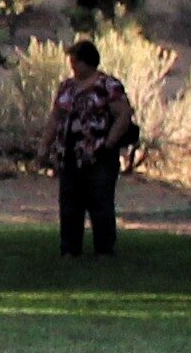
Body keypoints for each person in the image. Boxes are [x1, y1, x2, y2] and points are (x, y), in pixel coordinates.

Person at [49, 38, 136, 259]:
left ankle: (104, 249)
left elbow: (123, 115)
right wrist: (45, 145)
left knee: (100, 202)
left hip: (99, 155)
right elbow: (55, 117)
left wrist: (108, 143)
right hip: (69, 155)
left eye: (75, 61)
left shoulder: (108, 86)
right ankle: (69, 248)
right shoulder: (67, 87)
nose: (72, 66)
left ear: (86, 62)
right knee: (69, 204)